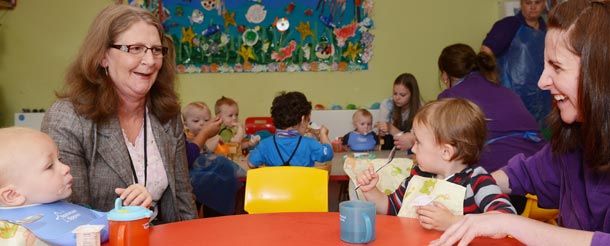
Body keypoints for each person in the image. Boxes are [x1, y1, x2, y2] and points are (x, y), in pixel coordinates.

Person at [432, 1, 610, 245]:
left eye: (556, 67)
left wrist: (507, 222)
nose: (542, 81)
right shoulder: (574, 138)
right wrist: (465, 189)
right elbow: (525, 172)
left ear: (598, 73)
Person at [41, 4, 197, 224]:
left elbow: (183, 198)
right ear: (103, 56)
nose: (150, 61)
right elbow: (71, 215)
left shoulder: (167, 114)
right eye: (135, 48)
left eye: (155, 49)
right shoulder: (68, 118)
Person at [357, 98, 516, 231]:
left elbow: (506, 218)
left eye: (418, 142)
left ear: (446, 152)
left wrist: (454, 222)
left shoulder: (477, 181)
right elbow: (391, 207)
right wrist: (371, 191)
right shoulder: (418, 175)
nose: (413, 148)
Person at [436, 43, 546, 213]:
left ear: (445, 75)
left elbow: (442, 147)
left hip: (505, 196)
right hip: (546, 188)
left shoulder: (449, 100)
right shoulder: (506, 91)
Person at [0, 127, 112, 245]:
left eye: (60, 159)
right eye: (49, 166)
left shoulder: (64, 206)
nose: (66, 168)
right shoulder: (15, 238)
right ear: (13, 195)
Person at [481, 0, 551, 128]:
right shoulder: (509, 25)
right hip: (513, 96)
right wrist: (491, 83)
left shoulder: (547, 28)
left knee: (542, 136)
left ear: (544, 4)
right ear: (521, 4)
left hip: (543, 98)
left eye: (537, 2)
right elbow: (485, 52)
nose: (533, 7)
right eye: (528, 3)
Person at [181, 101, 245, 217]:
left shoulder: (209, 138)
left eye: (206, 121)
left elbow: (209, 154)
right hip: (192, 184)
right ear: (185, 125)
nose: (202, 124)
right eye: (196, 121)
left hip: (206, 184)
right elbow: (193, 156)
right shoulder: (187, 140)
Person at [247, 91, 333, 168]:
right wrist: (323, 135)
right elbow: (329, 153)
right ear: (302, 120)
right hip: (303, 186)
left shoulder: (265, 144)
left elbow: (251, 164)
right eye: (308, 121)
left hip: (275, 186)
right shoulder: (309, 144)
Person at [376, 73, 423, 151]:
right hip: (390, 147)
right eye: (395, 93)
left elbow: (413, 141)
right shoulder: (387, 104)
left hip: (411, 149)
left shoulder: (420, 108)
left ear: (412, 95)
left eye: (402, 95)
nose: (397, 98)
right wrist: (381, 132)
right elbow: (382, 137)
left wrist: (391, 129)